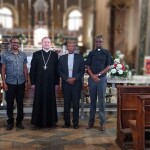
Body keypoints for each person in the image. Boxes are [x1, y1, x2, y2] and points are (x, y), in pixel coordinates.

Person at [30, 37, 59, 128]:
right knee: (39, 100)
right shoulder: (36, 54)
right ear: (41, 44)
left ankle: (51, 121)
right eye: (45, 42)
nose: (46, 44)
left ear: (50, 44)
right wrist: (33, 83)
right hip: (39, 82)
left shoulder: (54, 55)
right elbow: (32, 70)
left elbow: (56, 70)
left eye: (48, 42)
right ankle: (38, 121)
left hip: (51, 83)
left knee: (50, 100)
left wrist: (57, 83)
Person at [1, 37, 28, 130]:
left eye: (17, 42)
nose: (15, 44)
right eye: (13, 42)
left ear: (19, 44)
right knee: (10, 103)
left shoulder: (23, 55)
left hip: (21, 82)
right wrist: (4, 82)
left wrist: (26, 80)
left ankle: (19, 121)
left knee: (20, 103)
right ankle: (10, 122)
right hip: (10, 82)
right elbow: (3, 69)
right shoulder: (5, 55)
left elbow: (25, 68)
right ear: (10, 43)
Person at [85, 35, 112, 131]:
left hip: (102, 80)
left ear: (102, 42)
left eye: (100, 42)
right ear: (95, 42)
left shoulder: (106, 53)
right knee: (92, 101)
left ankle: (102, 123)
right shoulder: (91, 53)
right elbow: (87, 66)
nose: (99, 43)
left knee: (101, 102)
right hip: (92, 80)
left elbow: (108, 66)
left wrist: (98, 75)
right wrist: (93, 76)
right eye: (97, 42)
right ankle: (90, 122)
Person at [58, 40, 85, 129]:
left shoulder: (80, 57)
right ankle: (67, 122)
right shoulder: (62, 58)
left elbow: (82, 71)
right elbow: (59, 71)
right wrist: (66, 79)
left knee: (76, 104)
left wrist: (74, 78)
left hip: (76, 84)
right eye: (69, 46)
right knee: (66, 104)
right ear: (67, 48)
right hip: (66, 84)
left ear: (74, 47)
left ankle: (76, 122)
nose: (71, 48)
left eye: (72, 46)